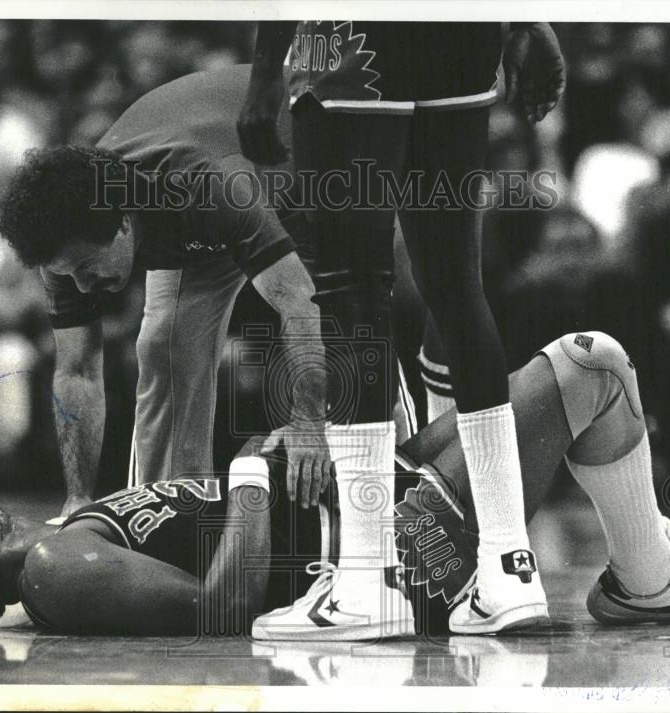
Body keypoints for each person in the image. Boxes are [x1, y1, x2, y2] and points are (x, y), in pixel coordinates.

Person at [0, 331, 670, 636]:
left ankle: (653, 556)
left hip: (369, 509)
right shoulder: (48, 568)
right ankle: (650, 578)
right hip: (383, 553)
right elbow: (222, 608)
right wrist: (253, 466)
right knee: (589, 366)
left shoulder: (55, 555)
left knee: (566, 373)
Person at [237, 20, 566, 638]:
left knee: (350, 285)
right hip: (460, 37)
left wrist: (264, 70)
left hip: (354, 36)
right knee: (455, 283)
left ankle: (367, 580)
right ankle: (508, 566)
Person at [0, 65, 330, 521]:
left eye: (86, 270)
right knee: (163, 349)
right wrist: (77, 497)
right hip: (199, 207)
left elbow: (300, 301)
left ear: (123, 226)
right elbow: (76, 371)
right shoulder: (65, 233)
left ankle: (393, 496)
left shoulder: (207, 185)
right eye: (66, 274)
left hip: (304, 170)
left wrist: (309, 419)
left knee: (350, 324)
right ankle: (168, 518)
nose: (81, 286)